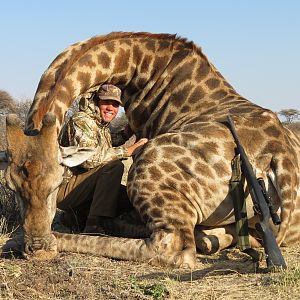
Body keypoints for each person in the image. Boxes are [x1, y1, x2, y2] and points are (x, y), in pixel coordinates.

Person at [57, 84, 148, 234]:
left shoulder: (100, 124)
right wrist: (127, 151)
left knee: (129, 199)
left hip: (83, 187)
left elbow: (104, 144)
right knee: (114, 167)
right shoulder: (81, 120)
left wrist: (127, 133)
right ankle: (93, 225)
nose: (111, 108)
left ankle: (76, 217)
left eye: (115, 104)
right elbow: (89, 159)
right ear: (96, 101)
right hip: (64, 189)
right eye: (106, 102)